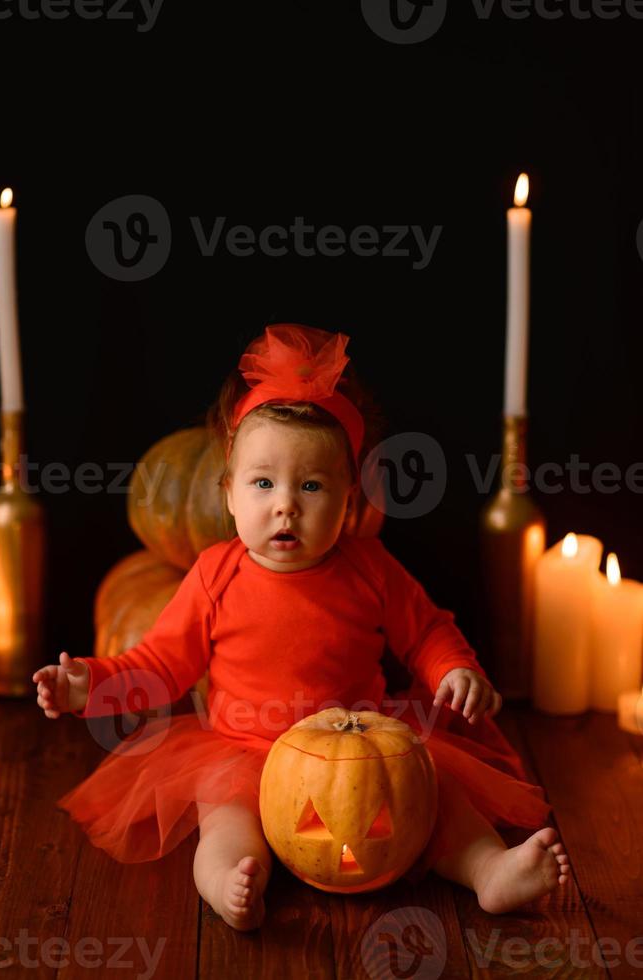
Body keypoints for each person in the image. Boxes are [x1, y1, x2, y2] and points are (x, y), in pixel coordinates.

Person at [32, 323, 569, 932]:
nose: (285, 503)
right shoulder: (215, 575)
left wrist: (456, 668)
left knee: (438, 800)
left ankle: (490, 872)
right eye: (263, 483)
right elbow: (156, 667)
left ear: (348, 502)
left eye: (311, 486)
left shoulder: (370, 568)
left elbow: (425, 631)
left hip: (361, 749)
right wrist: (88, 686)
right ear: (231, 495)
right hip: (244, 749)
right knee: (226, 822)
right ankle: (228, 885)